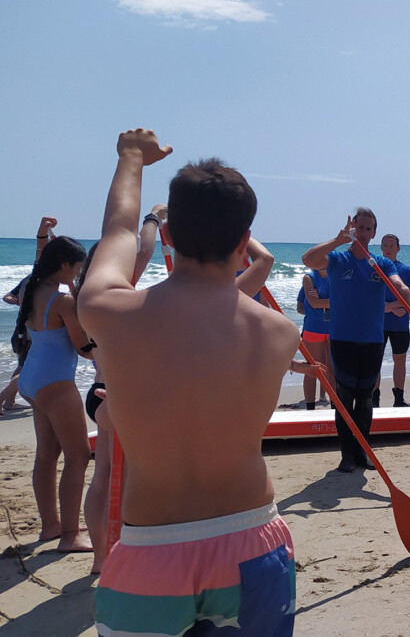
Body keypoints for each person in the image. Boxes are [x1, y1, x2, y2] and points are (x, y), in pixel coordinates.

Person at [79, 129, 298, 635]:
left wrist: (132, 158)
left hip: (153, 549)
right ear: (244, 244)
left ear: (169, 238)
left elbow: (118, 233)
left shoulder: (111, 311)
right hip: (252, 538)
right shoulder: (279, 332)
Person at [302, 209, 410, 473]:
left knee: (365, 399)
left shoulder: (382, 263)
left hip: (372, 339)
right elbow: (308, 259)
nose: (364, 233)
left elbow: (399, 286)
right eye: (360, 228)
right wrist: (338, 239)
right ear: (353, 229)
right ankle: (347, 456)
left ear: (374, 233)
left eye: (369, 229)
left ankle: (363, 451)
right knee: (344, 399)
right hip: (343, 338)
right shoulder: (337, 258)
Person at [82, 203, 166, 574]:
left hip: (99, 391)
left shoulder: (86, 296)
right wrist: (152, 217)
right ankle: (115, 554)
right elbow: (143, 250)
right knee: (125, 476)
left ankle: (102, 557)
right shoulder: (113, 295)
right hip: (117, 395)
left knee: (102, 474)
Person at [16, 235, 94, 554]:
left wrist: (42, 237)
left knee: (47, 455)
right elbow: (84, 348)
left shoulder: (29, 289)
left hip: (32, 379)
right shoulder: (62, 301)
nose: (76, 275)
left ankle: (51, 526)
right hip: (56, 383)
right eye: (76, 269)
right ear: (63, 265)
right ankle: (70, 535)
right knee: (78, 455)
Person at [1, 216, 59, 411]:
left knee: (23, 367)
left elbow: (41, 253)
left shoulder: (35, 281)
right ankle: (2, 399)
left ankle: (8, 402)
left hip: (25, 329)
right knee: (26, 369)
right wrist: (43, 232)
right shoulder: (38, 281)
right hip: (30, 332)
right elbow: (40, 252)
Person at [377, 233, 410, 407]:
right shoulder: (374, 268)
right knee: (375, 361)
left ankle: (399, 399)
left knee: (400, 359)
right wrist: (387, 307)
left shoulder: (406, 270)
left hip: (399, 322)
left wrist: (396, 307)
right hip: (378, 323)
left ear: (398, 248)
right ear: (381, 247)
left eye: (391, 246)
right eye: (385, 245)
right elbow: (369, 297)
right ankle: (374, 400)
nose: (388, 249)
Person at [296, 267, 332, 409]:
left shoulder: (334, 277)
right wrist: (315, 309)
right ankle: (310, 406)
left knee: (331, 367)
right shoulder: (309, 279)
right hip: (313, 327)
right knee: (313, 367)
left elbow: (344, 302)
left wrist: (321, 304)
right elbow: (302, 306)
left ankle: (326, 397)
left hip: (332, 327)